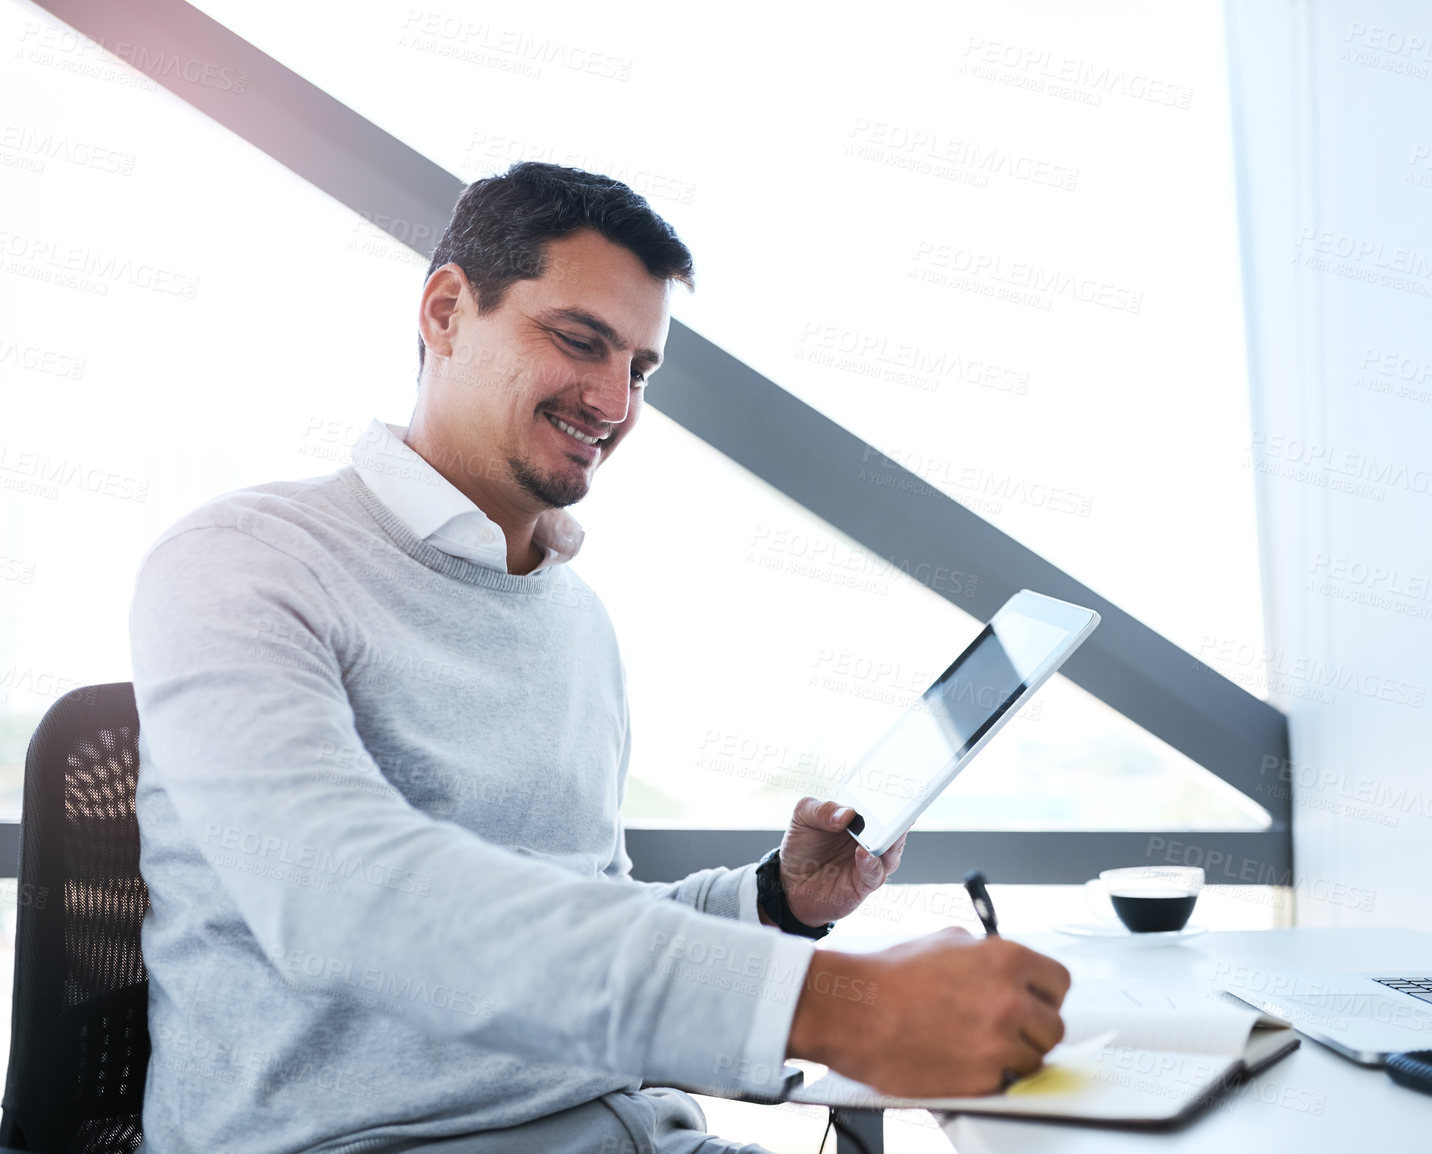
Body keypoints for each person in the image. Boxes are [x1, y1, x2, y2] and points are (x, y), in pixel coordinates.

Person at [129, 162, 1070, 1154]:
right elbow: (342, 896)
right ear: (446, 309)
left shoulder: (571, 615)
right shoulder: (242, 562)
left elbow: (583, 914)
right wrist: (836, 1004)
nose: (614, 401)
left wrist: (772, 899)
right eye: (580, 341)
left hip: (634, 1131)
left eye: (641, 369)